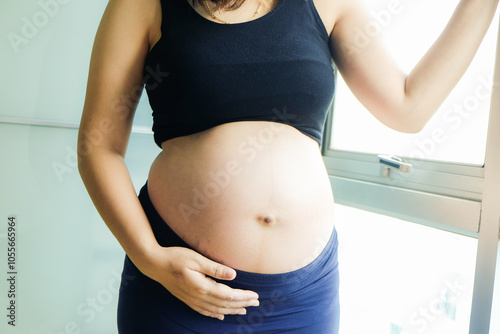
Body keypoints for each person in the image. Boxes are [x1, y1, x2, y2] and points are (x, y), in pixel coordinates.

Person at [77, 0, 499, 332]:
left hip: (303, 299)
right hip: (180, 288)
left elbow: (409, 107)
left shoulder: (327, 3)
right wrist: (150, 257)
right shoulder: (144, 2)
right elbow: (98, 146)